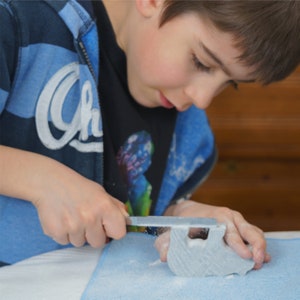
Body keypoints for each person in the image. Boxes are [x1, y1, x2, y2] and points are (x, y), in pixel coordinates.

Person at [0, 0, 299, 268]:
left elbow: (138, 209)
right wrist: (43, 181)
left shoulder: (187, 128)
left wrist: (180, 216)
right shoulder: (18, 19)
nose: (202, 99)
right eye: (201, 62)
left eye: (230, 83)